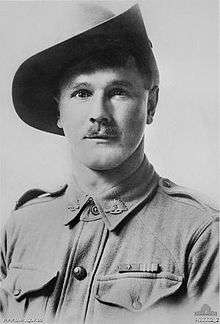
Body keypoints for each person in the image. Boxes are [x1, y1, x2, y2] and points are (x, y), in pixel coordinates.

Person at [0, 3, 218, 324]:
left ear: (151, 104)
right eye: (81, 93)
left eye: (117, 91)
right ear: (58, 111)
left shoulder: (201, 234)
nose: (98, 113)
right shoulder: (22, 227)